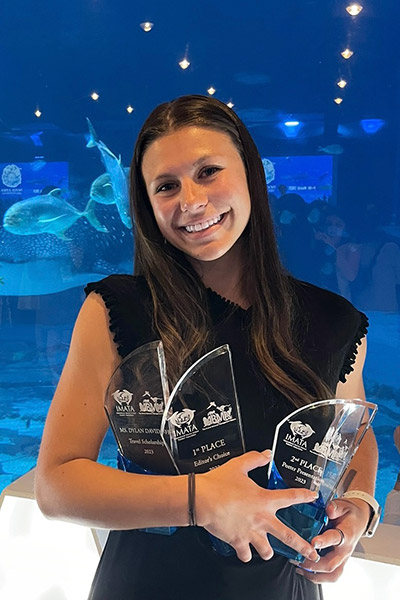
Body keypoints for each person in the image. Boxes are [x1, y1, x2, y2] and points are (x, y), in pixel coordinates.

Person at [35, 95, 378, 600]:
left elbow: (350, 431)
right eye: (166, 186)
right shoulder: (117, 309)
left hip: (283, 587)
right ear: (146, 204)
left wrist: (360, 504)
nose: (190, 201)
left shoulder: (334, 320)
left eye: (209, 171)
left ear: (250, 176)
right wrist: (198, 499)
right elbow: (57, 486)